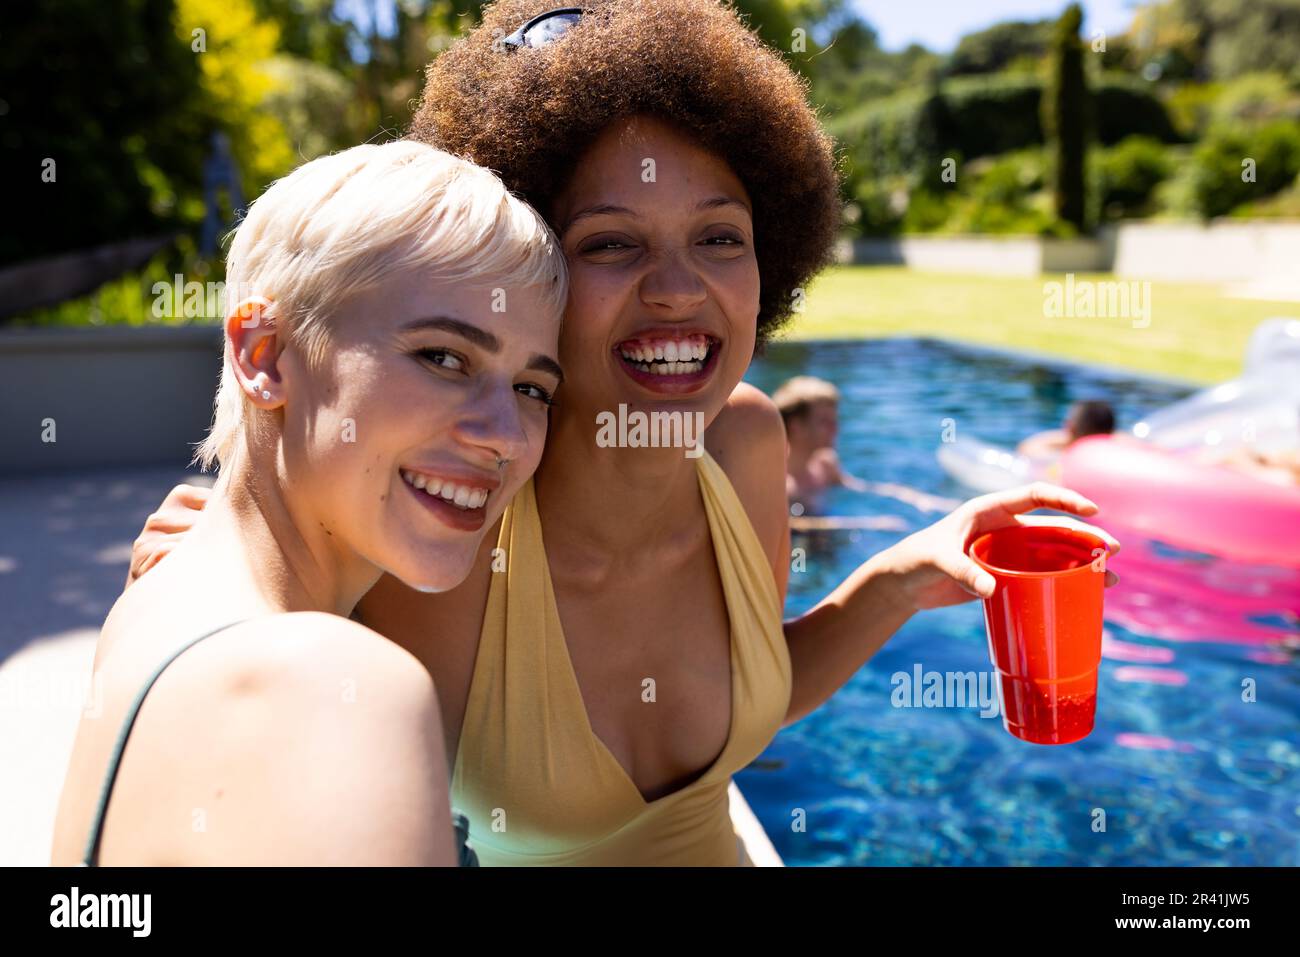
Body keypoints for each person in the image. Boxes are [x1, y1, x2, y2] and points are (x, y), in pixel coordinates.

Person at [126, 0, 1119, 866]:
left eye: (719, 237)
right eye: (611, 243)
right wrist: (236, 561)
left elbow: (748, 697)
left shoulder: (745, 446)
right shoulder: (438, 526)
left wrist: (901, 578)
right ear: (522, 281)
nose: (680, 290)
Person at [50, 141, 567, 866]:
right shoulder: (331, 688)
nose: (505, 437)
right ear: (263, 356)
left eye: (532, 389)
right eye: (444, 357)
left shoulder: (159, 597)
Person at [775, 375, 958, 517]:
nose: (835, 428)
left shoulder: (824, 464)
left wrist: (917, 498)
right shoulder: (782, 483)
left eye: (834, 420)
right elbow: (793, 526)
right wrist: (868, 524)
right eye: (824, 422)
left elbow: (861, 488)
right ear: (796, 426)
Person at [1017, 400, 1116, 460]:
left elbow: (1026, 447)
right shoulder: (1115, 452)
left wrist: (1069, 436)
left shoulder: (1063, 460)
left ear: (1070, 427)